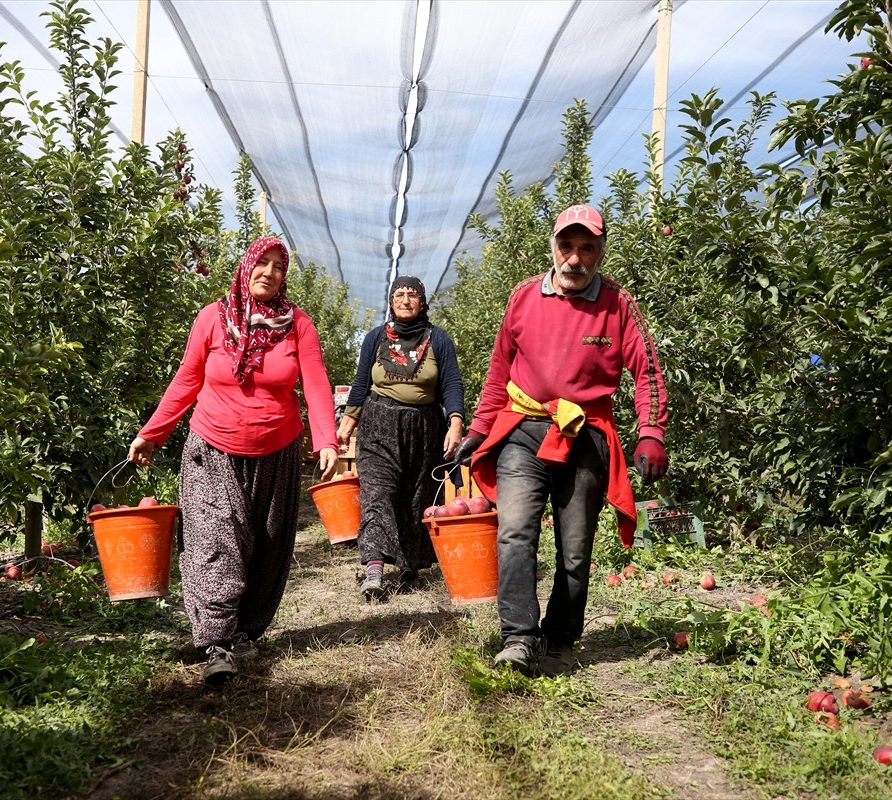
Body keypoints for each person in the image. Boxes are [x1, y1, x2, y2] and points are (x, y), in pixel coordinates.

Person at [454, 204, 668, 677]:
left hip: (586, 435)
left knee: (575, 548)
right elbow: (498, 372)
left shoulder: (618, 304)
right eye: (566, 246)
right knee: (515, 533)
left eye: (586, 248)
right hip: (524, 429)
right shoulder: (524, 297)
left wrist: (651, 432)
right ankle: (518, 637)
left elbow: (647, 371)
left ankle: (561, 637)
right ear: (553, 248)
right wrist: (478, 429)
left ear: (600, 252)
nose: (575, 258)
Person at [127, 235, 339, 686]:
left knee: (265, 545)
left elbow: (317, 385)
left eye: (279, 266)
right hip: (212, 447)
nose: (269, 272)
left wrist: (327, 441)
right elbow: (187, 380)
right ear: (246, 267)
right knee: (214, 541)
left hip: (276, 450)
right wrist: (152, 432)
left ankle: (246, 630)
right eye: (261, 262)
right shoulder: (213, 318)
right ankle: (216, 641)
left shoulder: (297, 324)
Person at [336, 277, 466, 600]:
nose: (405, 300)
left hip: (423, 427)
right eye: (399, 295)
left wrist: (455, 422)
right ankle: (374, 570)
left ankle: (410, 563)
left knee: (416, 496)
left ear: (422, 302)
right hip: (380, 422)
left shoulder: (439, 339)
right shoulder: (376, 338)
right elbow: (361, 382)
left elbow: (452, 383)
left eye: (412, 295)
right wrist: (348, 423)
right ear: (390, 301)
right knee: (377, 493)